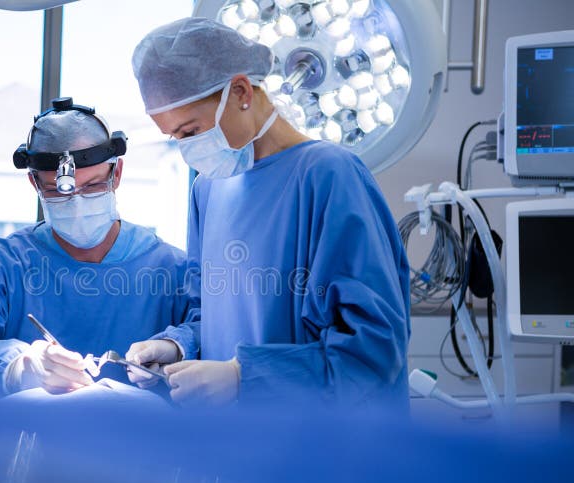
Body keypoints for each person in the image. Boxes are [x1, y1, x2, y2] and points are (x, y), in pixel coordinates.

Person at [126, 17, 411, 408]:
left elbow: (374, 349)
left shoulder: (329, 176)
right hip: (241, 437)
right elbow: (212, 314)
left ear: (241, 91)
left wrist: (245, 376)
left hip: (325, 439)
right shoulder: (208, 189)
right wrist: (178, 346)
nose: (186, 147)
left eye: (190, 131)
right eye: (174, 137)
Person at [0, 97, 189, 397]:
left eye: (92, 186)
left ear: (116, 174)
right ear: (34, 184)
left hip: (144, 429)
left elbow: (212, 332)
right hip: (28, 429)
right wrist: (16, 367)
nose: (76, 204)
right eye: (57, 191)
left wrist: (175, 345)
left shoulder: (170, 267)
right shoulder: (0, 265)